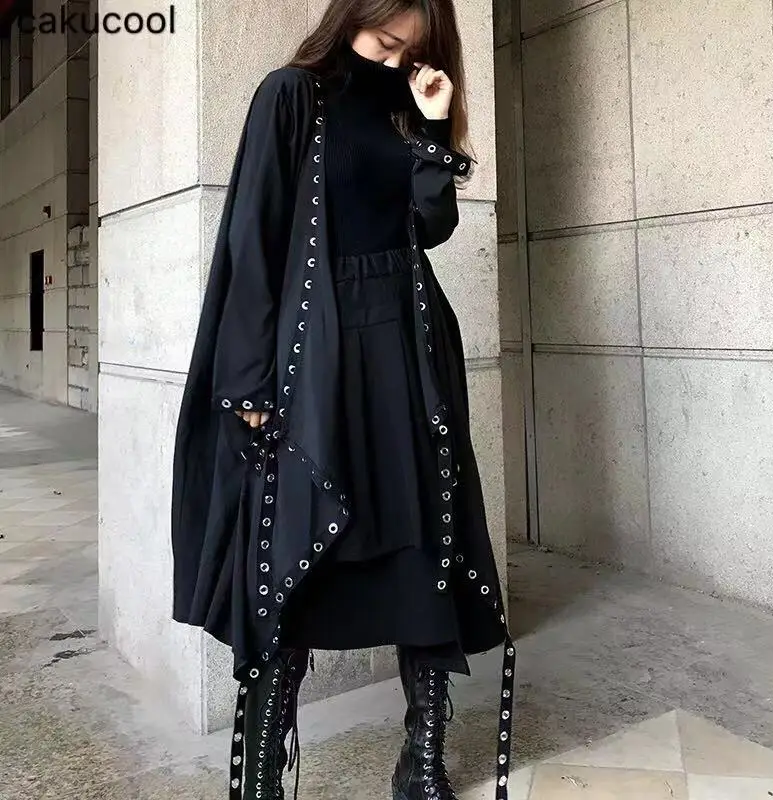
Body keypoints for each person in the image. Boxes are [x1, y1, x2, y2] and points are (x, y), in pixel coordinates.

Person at [170, 1, 515, 798]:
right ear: (354, 13)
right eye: (385, 40)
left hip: (408, 350)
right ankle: (262, 773)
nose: (394, 59)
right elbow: (254, 237)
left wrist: (435, 126)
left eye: (411, 49)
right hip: (317, 354)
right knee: (293, 549)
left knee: (425, 541)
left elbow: (431, 226)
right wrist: (249, 380)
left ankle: (421, 762)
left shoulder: (407, 109)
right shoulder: (292, 95)